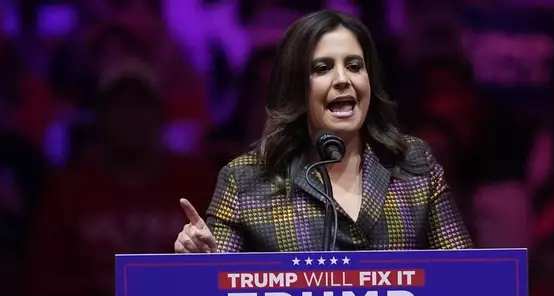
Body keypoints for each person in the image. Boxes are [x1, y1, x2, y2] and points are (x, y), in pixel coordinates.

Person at [175, 9, 473, 254]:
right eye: (322, 68)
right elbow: (218, 293)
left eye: (355, 66)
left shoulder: (413, 165)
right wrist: (203, 263)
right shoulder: (246, 181)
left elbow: (465, 277)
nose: (343, 79)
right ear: (296, 88)